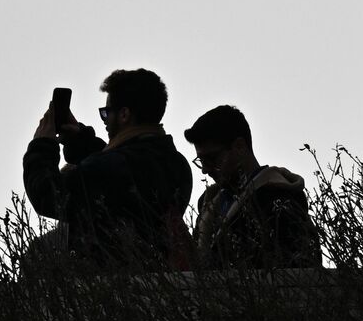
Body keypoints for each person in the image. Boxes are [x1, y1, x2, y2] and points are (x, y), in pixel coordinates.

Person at [23, 68, 193, 270]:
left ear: (124, 114)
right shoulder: (178, 164)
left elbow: (48, 196)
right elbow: (123, 171)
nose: (104, 121)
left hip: (109, 285)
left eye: (106, 113)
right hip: (156, 279)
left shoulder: (113, 167)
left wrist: (42, 146)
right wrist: (82, 142)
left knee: (39, 252)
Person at [184, 105, 320, 269]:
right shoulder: (209, 203)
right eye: (201, 161)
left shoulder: (279, 199)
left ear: (240, 147)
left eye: (212, 159)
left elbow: (299, 270)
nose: (205, 169)